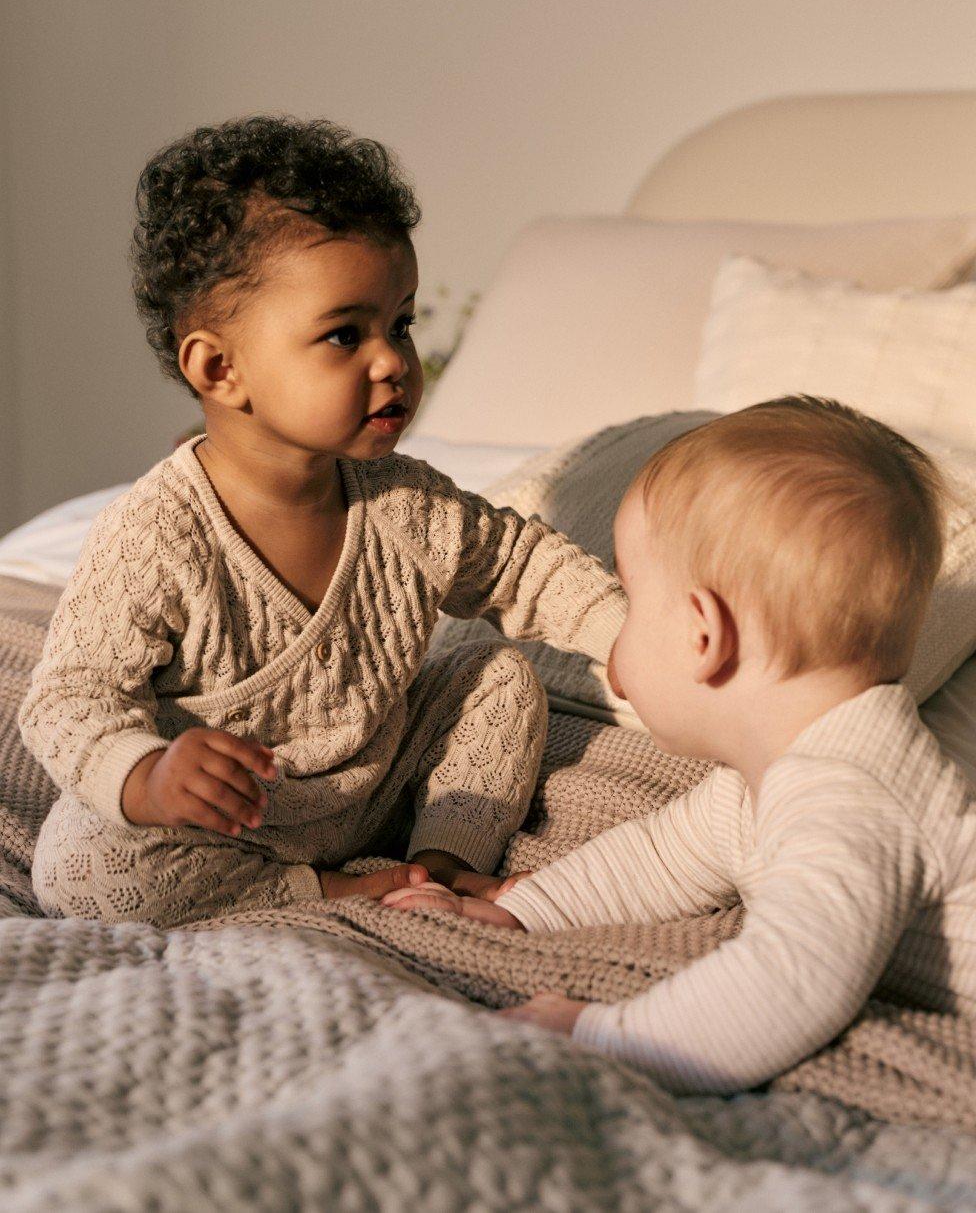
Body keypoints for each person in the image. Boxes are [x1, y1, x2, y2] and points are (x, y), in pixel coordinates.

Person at [20, 115, 624, 928]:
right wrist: (151, 776)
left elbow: (525, 567)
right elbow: (68, 698)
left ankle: (440, 865)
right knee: (80, 870)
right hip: (229, 821)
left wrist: (631, 635)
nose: (391, 361)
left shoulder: (405, 500)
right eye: (346, 333)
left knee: (499, 674)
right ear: (220, 367)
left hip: (372, 788)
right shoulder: (156, 535)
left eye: (401, 323)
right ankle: (339, 892)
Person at [385, 397, 976, 1094]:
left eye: (630, 600)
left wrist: (597, 1033)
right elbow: (657, 859)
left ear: (703, 636)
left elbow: (788, 986)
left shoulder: (850, 797)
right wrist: (521, 911)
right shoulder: (774, 773)